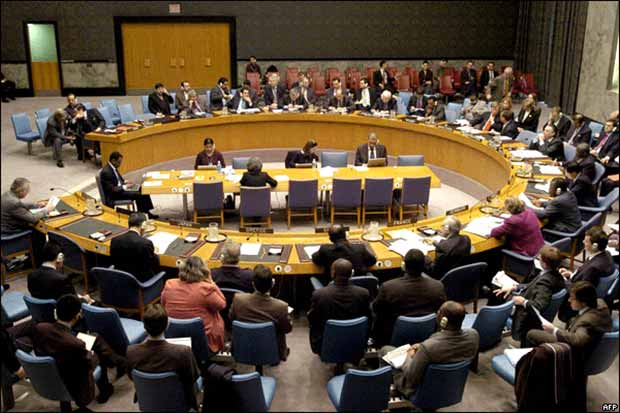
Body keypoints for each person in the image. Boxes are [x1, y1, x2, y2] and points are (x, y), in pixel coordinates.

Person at [31, 294, 123, 406]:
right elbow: (87, 363)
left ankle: (117, 362)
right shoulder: (76, 344)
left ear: (56, 312)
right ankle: (106, 387)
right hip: (75, 382)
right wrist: (91, 353)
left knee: (95, 338)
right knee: (99, 353)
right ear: (76, 316)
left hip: (49, 375)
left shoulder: (41, 328)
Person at [388, 301, 479, 398]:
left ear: (443, 320)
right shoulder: (473, 335)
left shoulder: (428, 347)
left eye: (439, 312)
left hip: (421, 391)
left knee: (386, 350)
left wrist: (407, 356)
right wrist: (422, 346)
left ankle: (396, 392)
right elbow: (446, 348)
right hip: (451, 388)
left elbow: (411, 377)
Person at [127, 304, 201, 410]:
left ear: (144, 326)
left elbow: (132, 377)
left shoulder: (131, 351)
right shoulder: (183, 352)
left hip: (149, 402)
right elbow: (193, 378)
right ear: (167, 325)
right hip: (178, 403)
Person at [492, 245, 566, 347]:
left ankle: (492, 331)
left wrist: (523, 302)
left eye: (540, 258)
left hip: (525, 314)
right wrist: (515, 287)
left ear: (544, 264)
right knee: (503, 289)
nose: (538, 258)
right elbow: (531, 285)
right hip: (527, 297)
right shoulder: (555, 274)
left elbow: (539, 305)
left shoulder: (544, 283)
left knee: (496, 292)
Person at [372, 249, 447, 347]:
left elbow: (376, 309)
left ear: (404, 266)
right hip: (428, 337)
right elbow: (441, 311)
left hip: (392, 338)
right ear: (424, 266)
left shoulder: (388, 287)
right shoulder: (438, 286)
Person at [527, 281, 612, 360]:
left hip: (572, 353)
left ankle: (529, 361)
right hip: (587, 345)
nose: (569, 300)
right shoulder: (600, 303)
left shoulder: (586, 322)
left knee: (532, 333)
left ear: (584, 302)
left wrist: (554, 330)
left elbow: (578, 340)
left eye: (572, 298)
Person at [161, 256, 226, 353]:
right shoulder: (206, 289)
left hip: (174, 338)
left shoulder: (170, 284)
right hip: (202, 342)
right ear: (203, 271)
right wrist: (212, 282)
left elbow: (163, 305)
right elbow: (222, 304)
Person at [307, 258, 371, 354]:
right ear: (352, 274)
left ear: (332, 273)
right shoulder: (363, 293)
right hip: (356, 341)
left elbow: (312, 318)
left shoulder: (319, 294)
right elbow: (369, 318)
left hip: (326, 344)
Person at [230, 265, 293, 361]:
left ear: (253, 284)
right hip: (272, 350)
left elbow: (231, 318)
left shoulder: (238, 299)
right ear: (272, 284)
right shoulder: (281, 307)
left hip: (243, 346)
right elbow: (287, 329)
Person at [557, 227, 615, 321]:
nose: (583, 242)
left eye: (586, 241)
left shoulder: (593, 268)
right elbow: (584, 275)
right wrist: (571, 275)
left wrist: (562, 280)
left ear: (594, 246)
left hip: (579, 298)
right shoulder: (606, 254)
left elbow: (580, 290)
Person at [27, 240, 93, 303]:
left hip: (42, 310)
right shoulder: (62, 279)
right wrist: (85, 299)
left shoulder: (31, 275)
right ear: (59, 258)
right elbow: (73, 304)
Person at [311, 225, 377, 283]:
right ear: (345, 235)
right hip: (359, 286)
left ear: (330, 238)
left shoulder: (325, 249)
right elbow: (372, 261)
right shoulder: (360, 248)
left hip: (333, 287)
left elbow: (316, 260)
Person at [99, 151, 157, 216]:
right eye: (119, 162)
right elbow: (112, 190)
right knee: (138, 194)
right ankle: (142, 214)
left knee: (142, 188)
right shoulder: (106, 172)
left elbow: (117, 179)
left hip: (120, 189)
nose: (120, 164)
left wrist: (125, 182)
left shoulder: (112, 167)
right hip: (115, 195)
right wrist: (125, 187)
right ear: (113, 161)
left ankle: (147, 212)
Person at [110, 212, 160, 282]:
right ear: (143, 225)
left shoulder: (114, 240)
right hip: (140, 282)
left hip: (120, 280)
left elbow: (113, 261)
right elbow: (154, 266)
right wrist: (155, 254)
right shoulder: (146, 243)